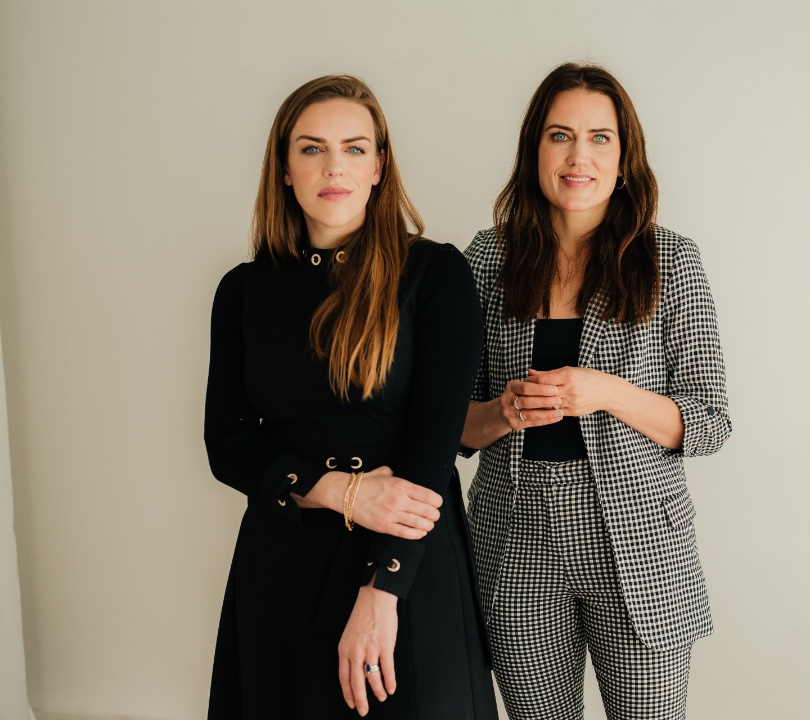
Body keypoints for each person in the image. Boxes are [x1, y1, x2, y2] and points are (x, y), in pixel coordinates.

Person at [204, 75, 497, 720]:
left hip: (408, 563)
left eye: (354, 148)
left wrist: (382, 591)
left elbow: (433, 442)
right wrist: (341, 492)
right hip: (283, 558)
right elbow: (228, 445)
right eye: (311, 149)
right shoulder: (244, 291)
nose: (334, 166)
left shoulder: (435, 273)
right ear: (283, 169)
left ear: (379, 166)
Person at [460, 63, 732, 720]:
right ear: (535, 151)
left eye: (599, 137)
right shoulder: (485, 260)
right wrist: (501, 412)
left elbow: (709, 421)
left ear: (624, 156)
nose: (579, 155)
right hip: (517, 538)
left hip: (638, 543)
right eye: (560, 136)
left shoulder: (672, 261)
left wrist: (607, 392)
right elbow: (450, 424)